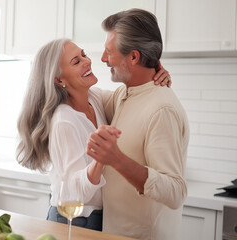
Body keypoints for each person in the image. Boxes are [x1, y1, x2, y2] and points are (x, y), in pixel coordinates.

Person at [16, 38, 171, 231]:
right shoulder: (64, 120)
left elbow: (128, 97)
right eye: (76, 61)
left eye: (84, 54)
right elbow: (72, 194)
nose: (87, 61)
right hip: (73, 219)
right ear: (59, 79)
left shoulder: (94, 99)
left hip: (98, 218)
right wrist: (101, 159)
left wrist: (153, 78)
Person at [86, 9, 189, 240]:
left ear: (133, 57)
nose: (103, 58)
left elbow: (176, 191)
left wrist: (116, 159)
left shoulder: (162, 109)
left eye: (109, 52)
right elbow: (83, 91)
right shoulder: (125, 94)